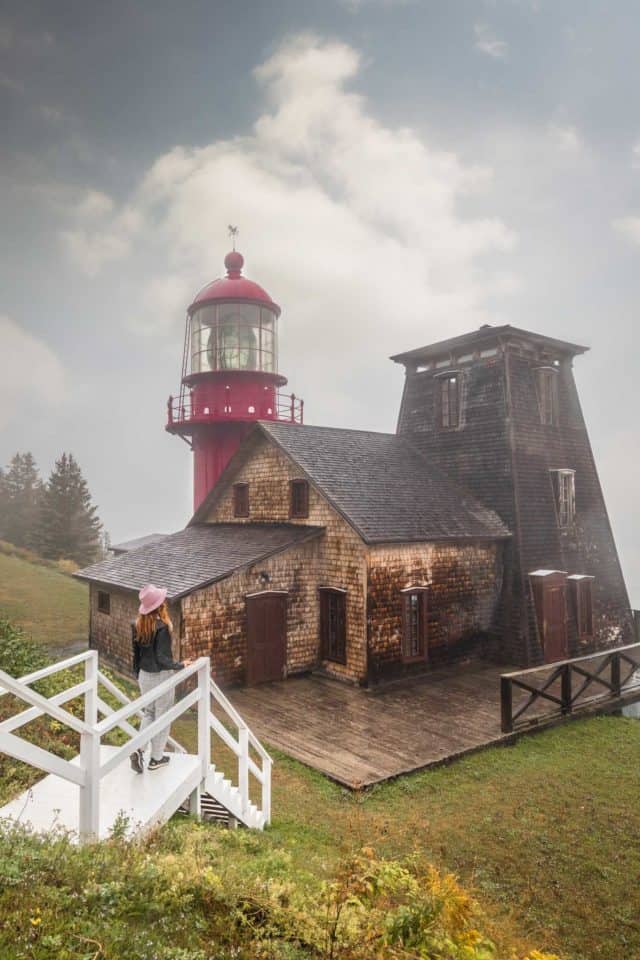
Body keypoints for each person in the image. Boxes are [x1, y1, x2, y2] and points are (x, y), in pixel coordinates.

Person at [130, 583, 191, 774]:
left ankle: (139, 749)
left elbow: (136, 655)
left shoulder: (137, 624)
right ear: (159, 605)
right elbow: (162, 658)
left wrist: (136, 673)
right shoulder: (162, 627)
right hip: (161, 676)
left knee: (149, 713)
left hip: (144, 676)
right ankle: (156, 758)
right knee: (162, 717)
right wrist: (180, 665)